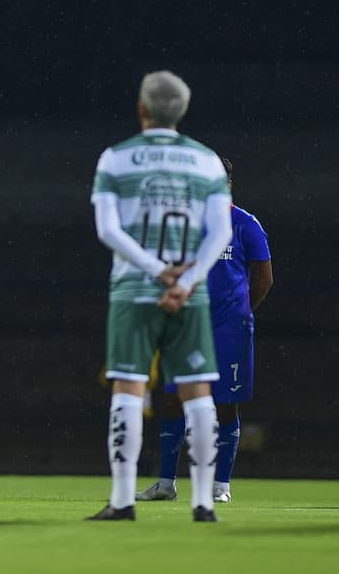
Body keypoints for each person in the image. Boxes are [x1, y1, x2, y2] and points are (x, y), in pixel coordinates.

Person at [87, 70, 233, 523]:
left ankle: (122, 500)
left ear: (142, 108)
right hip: (190, 294)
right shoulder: (207, 161)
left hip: (134, 289)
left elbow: (108, 230)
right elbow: (221, 232)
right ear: (182, 111)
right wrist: (185, 281)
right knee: (198, 392)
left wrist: (155, 270)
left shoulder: (116, 158)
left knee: (129, 388)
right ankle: (204, 504)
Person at [136, 156, 273, 505]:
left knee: (225, 404)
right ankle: (166, 484)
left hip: (230, 330)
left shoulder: (245, 225)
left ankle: (220, 485)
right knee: (172, 400)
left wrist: (240, 313)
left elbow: (264, 277)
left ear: (228, 185)